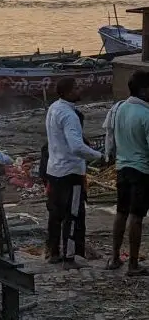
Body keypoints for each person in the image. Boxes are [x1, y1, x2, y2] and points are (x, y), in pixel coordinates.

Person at [44, 77, 102, 266]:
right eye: (77, 88)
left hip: (54, 170)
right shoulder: (70, 115)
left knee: (55, 214)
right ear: (68, 92)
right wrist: (98, 155)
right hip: (71, 173)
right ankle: (70, 256)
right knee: (73, 214)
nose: (80, 89)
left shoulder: (54, 108)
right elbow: (76, 147)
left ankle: (53, 252)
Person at [106, 70, 149, 275]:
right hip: (141, 170)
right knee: (136, 217)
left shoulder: (118, 108)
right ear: (143, 91)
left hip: (122, 168)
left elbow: (110, 138)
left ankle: (114, 257)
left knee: (121, 213)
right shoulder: (146, 115)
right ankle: (133, 263)